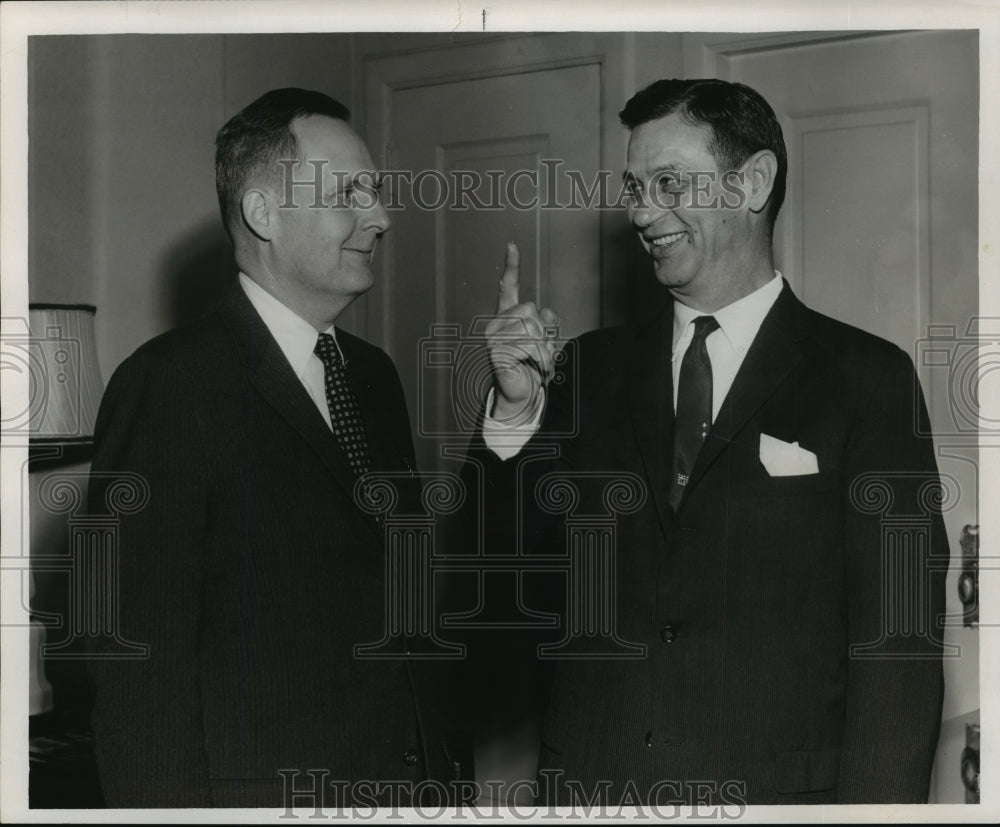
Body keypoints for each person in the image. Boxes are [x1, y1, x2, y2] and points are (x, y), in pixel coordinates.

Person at [470, 78, 947, 805]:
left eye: (668, 183)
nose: (641, 212)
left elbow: (899, 652)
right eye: (634, 187)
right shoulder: (584, 372)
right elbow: (497, 587)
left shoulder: (866, 380)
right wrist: (511, 415)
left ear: (752, 183)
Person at [86, 88, 463, 808]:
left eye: (375, 192)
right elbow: (139, 674)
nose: (379, 217)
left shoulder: (374, 378)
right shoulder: (169, 385)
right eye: (349, 192)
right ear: (263, 212)